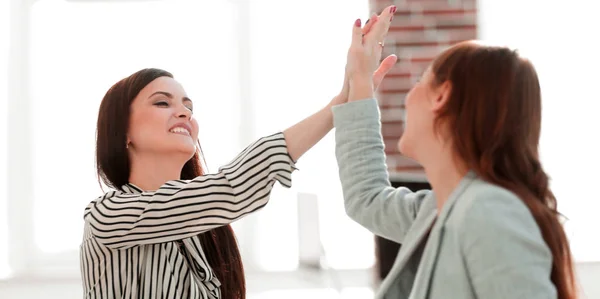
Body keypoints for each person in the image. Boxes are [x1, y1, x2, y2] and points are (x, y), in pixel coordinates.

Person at [80, 6, 398, 299]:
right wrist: (338, 104)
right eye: (163, 102)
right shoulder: (107, 216)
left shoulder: (204, 234)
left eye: (188, 107)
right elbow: (230, 189)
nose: (183, 113)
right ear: (123, 134)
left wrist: (349, 97)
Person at [334, 13, 577, 299]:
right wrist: (359, 81)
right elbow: (367, 200)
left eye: (421, 81)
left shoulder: (489, 213)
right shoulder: (442, 211)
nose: (408, 99)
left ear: (441, 96)